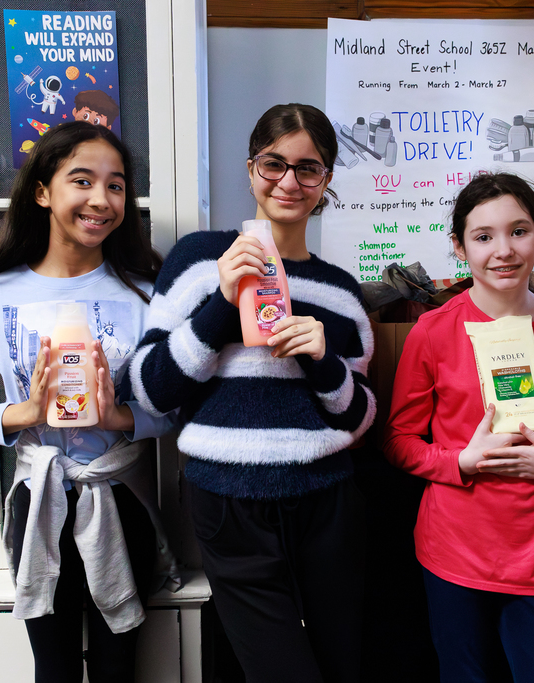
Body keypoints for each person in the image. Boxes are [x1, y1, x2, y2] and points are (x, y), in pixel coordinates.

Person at [128, 103, 376, 683]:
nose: (290, 182)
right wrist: (221, 301)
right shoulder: (197, 260)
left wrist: (323, 361)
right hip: (227, 500)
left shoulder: (341, 292)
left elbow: (362, 417)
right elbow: (149, 390)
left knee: (344, 666)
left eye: (308, 169)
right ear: (250, 170)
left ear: (326, 181)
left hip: (328, 501)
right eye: (274, 164)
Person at [0, 121, 178, 683]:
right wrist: (24, 412)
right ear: (42, 192)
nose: (101, 199)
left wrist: (123, 416)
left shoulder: (144, 293)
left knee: (120, 669)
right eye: (82, 181)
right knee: (55, 669)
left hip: (121, 499)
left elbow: (178, 407)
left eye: (116, 186)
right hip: (37, 503)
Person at [383, 172, 534, 683]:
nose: (503, 250)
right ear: (460, 247)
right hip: (452, 554)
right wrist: (460, 460)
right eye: (483, 237)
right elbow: (398, 442)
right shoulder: (433, 332)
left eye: (519, 231)